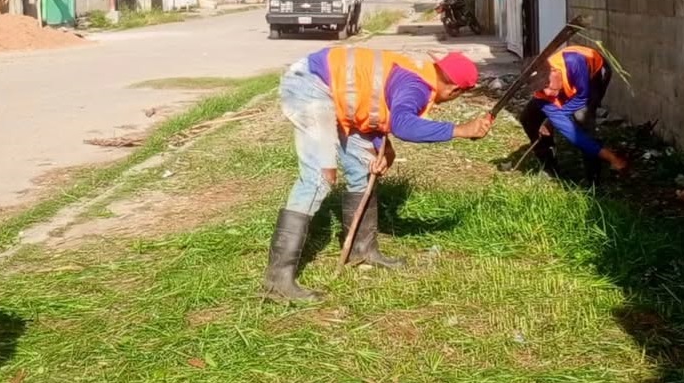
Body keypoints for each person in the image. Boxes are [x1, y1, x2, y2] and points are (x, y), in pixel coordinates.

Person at [264, 47, 493, 302]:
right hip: (312, 83)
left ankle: (362, 250)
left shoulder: (416, 75)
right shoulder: (416, 86)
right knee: (319, 177)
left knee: (363, 168)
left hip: (336, 94)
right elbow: (403, 125)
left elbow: (371, 104)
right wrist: (460, 130)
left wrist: (386, 149)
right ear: (454, 90)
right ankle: (276, 282)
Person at [519, 45, 627, 182]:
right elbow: (573, 134)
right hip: (569, 81)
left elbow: (582, 97)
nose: (547, 92)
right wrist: (554, 118)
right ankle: (549, 167)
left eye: (546, 84)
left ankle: (593, 180)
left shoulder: (574, 62)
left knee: (582, 117)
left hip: (594, 72)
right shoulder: (542, 95)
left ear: (554, 71)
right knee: (528, 117)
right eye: (540, 88)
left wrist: (612, 158)